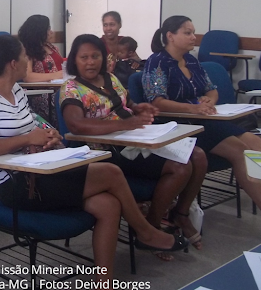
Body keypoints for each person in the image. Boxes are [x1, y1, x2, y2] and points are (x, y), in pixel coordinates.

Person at [0, 35, 188, 290]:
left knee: (109, 204)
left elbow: (29, 130)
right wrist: (28, 138)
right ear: (13, 63)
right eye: (25, 57)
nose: (28, 61)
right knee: (110, 171)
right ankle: (144, 231)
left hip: (39, 170)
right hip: (16, 185)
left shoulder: (17, 91)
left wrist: (46, 136)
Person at [61, 34, 207, 259]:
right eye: (84, 57)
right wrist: (125, 123)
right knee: (180, 167)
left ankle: (180, 214)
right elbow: (76, 124)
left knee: (197, 155)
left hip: (135, 140)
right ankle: (153, 228)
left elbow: (126, 104)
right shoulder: (72, 88)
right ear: (74, 60)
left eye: (95, 56)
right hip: (106, 151)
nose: (90, 62)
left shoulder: (110, 78)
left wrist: (140, 108)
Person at [143, 15, 261, 235]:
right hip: (180, 124)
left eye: (193, 32)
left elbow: (211, 88)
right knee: (239, 151)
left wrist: (210, 99)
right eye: (187, 33)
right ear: (170, 36)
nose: (193, 37)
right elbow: (157, 102)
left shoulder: (191, 60)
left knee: (254, 141)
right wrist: (193, 108)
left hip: (206, 119)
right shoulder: (157, 62)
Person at [18, 15, 64, 125]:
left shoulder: (53, 48)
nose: (51, 32)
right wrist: (55, 75)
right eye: (48, 29)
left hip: (60, 89)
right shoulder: (28, 50)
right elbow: (27, 76)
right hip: (43, 94)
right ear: (39, 31)